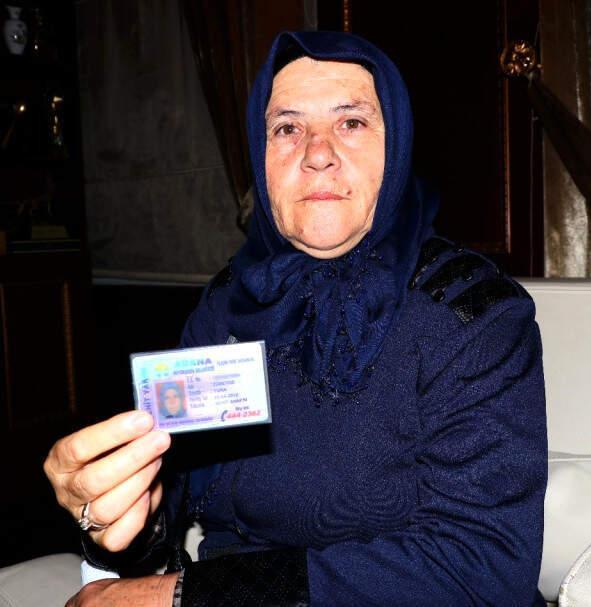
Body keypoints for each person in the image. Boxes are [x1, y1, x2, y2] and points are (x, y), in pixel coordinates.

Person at [44, 31, 547, 606]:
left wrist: (188, 595)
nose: (317, 152)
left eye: (351, 122)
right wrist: (123, 519)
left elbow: (481, 570)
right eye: (287, 128)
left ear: (398, 145)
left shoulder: (475, 315)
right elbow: (172, 500)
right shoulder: (229, 302)